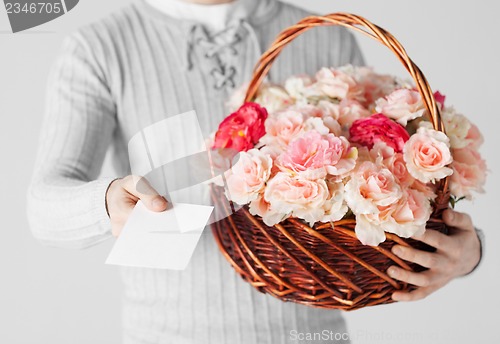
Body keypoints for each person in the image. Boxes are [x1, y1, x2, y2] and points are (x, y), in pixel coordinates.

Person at [27, 0, 483, 343]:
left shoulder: (322, 35)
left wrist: (466, 253)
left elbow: (374, 193)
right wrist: (106, 203)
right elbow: (43, 205)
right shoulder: (101, 47)